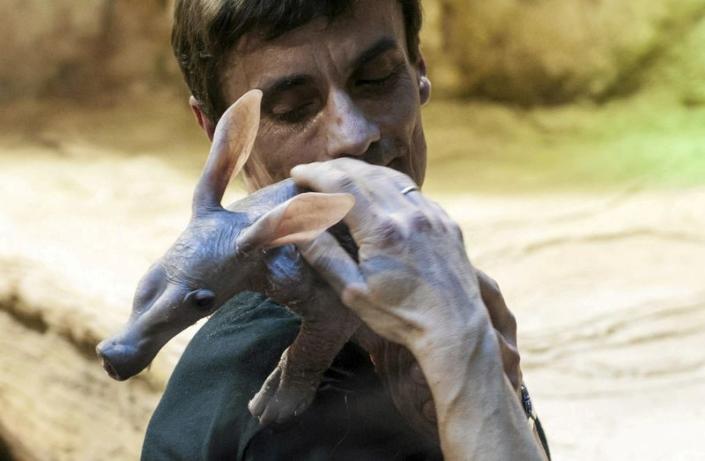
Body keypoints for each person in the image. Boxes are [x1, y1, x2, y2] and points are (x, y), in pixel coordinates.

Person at [142, 1, 550, 459]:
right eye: (293, 109)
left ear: (418, 68)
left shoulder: (415, 295)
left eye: (377, 77)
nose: (352, 135)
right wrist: (468, 361)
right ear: (222, 137)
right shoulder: (291, 416)